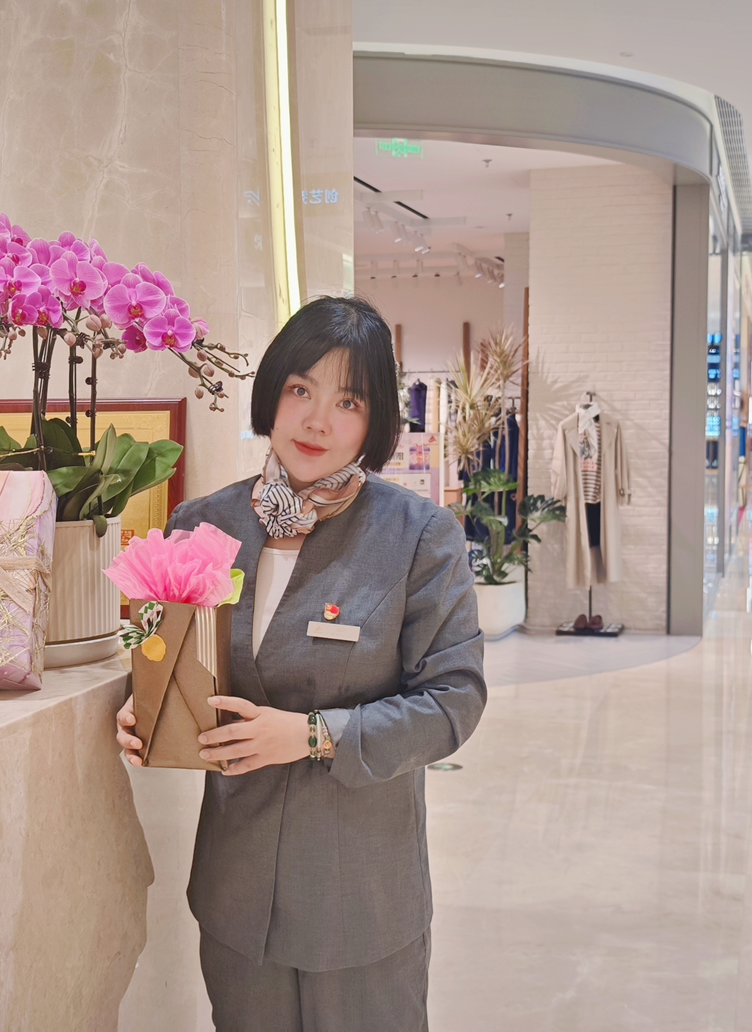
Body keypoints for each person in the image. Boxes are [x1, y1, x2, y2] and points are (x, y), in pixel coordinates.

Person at [115, 295, 483, 1030]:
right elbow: (168, 655)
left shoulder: (419, 535)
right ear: (272, 393)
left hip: (360, 901)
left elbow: (452, 703)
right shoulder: (203, 525)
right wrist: (144, 706)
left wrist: (314, 734)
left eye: (348, 401)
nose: (317, 420)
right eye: (300, 389)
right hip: (236, 893)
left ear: (376, 421)